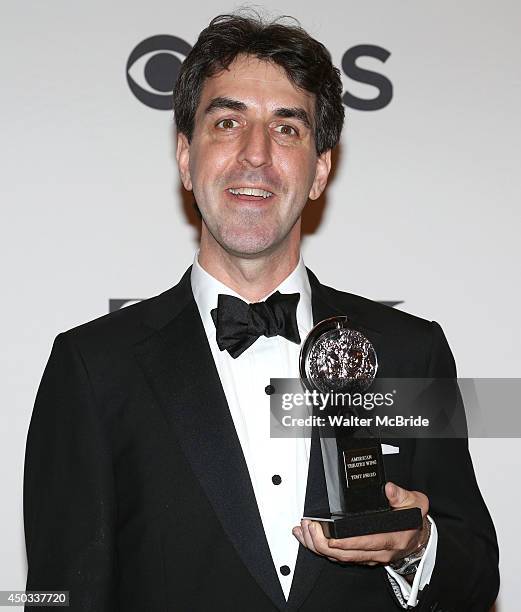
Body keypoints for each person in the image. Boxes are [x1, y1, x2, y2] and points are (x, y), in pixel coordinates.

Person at [24, 12, 499, 612]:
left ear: (321, 169)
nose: (255, 155)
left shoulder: (410, 353)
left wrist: (417, 546)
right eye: (227, 123)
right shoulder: (93, 367)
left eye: (287, 129)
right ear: (184, 158)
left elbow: (478, 575)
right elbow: (56, 596)